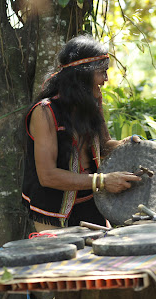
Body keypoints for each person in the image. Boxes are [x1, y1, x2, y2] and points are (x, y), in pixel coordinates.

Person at [22, 35, 141, 232]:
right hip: (54, 212)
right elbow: (48, 176)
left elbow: (102, 146)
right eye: (102, 72)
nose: (106, 79)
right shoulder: (45, 112)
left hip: (93, 200)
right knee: (65, 262)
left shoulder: (93, 102)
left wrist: (126, 145)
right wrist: (102, 181)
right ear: (81, 76)